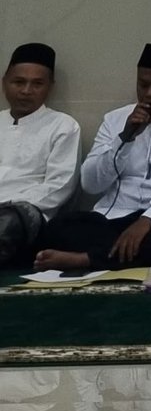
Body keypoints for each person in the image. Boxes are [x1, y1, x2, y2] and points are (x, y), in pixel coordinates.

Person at [34, 45, 151, 272]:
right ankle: (143, 256)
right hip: (114, 219)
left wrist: (147, 219)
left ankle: (85, 260)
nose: (149, 93)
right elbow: (91, 184)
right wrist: (125, 138)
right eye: (143, 85)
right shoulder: (116, 119)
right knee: (58, 227)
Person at [0, 43, 80, 268]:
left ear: (50, 87)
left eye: (37, 84)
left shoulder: (63, 126)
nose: (26, 91)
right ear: (4, 82)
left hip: (28, 212)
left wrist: (8, 203)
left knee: (8, 221)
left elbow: (59, 186)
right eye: (18, 82)